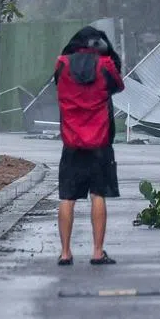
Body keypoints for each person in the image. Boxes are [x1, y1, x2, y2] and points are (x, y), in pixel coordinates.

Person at [54, 26, 124, 266]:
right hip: (100, 141)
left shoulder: (62, 64)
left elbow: (57, 84)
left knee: (67, 197)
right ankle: (97, 251)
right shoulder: (105, 65)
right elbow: (117, 85)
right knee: (98, 194)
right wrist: (109, 56)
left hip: (72, 142)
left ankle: (65, 252)